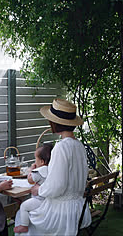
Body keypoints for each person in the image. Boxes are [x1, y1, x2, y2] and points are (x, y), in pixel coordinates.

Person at [14, 98, 92, 236]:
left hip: (61, 212)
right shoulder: (79, 146)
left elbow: (57, 186)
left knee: (23, 215)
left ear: (54, 123)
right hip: (78, 209)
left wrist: (39, 189)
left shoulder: (61, 147)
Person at [14, 143, 53, 234]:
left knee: (24, 206)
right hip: (49, 201)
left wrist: (30, 170)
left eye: (36, 159)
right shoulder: (52, 169)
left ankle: (24, 226)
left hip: (40, 201)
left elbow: (30, 180)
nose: (35, 162)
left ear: (42, 161)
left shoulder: (40, 170)